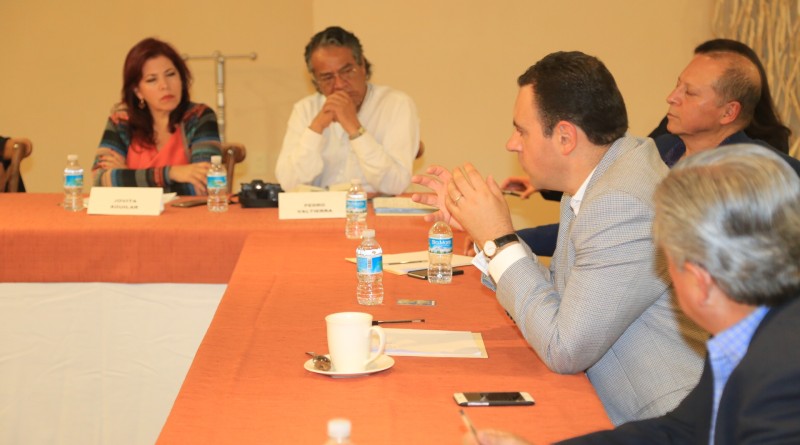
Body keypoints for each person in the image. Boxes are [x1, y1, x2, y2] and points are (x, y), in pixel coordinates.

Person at [413, 51, 706, 425]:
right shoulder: (598, 178)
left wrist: (498, 239)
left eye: (522, 131)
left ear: (565, 137)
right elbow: (562, 297)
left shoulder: (622, 202)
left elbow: (564, 348)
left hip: (662, 421)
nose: (511, 143)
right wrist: (485, 234)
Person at [465, 144, 800, 445]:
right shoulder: (748, 332)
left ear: (700, 282)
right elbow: (679, 432)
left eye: (667, 262)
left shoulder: (782, 378)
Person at [507, 38, 800, 258]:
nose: (671, 97)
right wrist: (511, 240)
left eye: (689, 92)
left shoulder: (765, 173)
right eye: (677, 85)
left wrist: (507, 242)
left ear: (728, 112)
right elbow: (600, 224)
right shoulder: (659, 148)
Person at [275, 26, 420, 195]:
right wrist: (316, 129)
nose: (339, 85)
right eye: (327, 77)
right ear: (316, 81)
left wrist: (354, 128)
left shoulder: (396, 104)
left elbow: (395, 184)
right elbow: (288, 184)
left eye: (347, 72)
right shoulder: (305, 109)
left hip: (374, 208)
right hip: (321, 208)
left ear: (362, 66)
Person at [92, 37, 221, 196]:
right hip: (136, 214)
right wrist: (171, 173)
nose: (165, 85)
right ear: (138, 91)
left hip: (186, 214)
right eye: (152, 80)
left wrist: (128, 177)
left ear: (181, 79)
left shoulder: (200, 117)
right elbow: (100, 180)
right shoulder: (121, 121)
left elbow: (205, 185)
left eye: (171, 74)